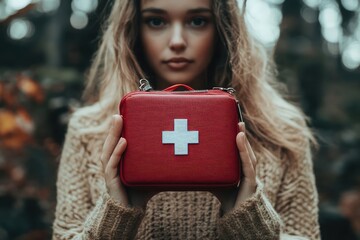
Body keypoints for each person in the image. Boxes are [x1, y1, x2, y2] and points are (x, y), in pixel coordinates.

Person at [52, 0, 320, 239]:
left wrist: (249, 220)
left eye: (197, 21)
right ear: (132, 28)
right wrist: (117, 216)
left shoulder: (282, 132)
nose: (177, 40)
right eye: (156, 21)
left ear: (224, 28)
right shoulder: (88, 131)